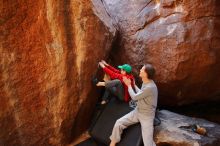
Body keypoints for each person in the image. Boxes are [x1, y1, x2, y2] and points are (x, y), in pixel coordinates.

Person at [109, 64, 158, 146]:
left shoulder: (150, 87)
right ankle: (113, 142)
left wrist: (128, 85)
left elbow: (135, 97)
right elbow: (141, 94)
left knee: (148, 143)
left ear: (146, 74)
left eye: (142, 70)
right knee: (119, 123)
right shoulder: (146, 82)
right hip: (138, 111)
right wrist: (134, 85)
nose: (140, 70)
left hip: (147, 116)